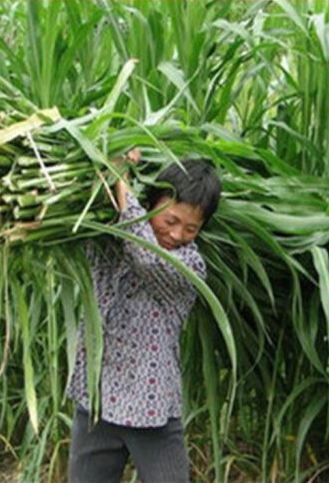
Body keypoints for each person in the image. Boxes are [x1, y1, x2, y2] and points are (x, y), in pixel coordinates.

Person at [67, 149, 221, 483]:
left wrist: (120, 177)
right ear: (150, 203)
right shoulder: (108, 236)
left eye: (191, 228)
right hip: (97, 396)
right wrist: (106, 168)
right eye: (170, 221)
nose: (177, 235)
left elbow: (146, 255)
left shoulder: (189, 267)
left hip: (149, 408)